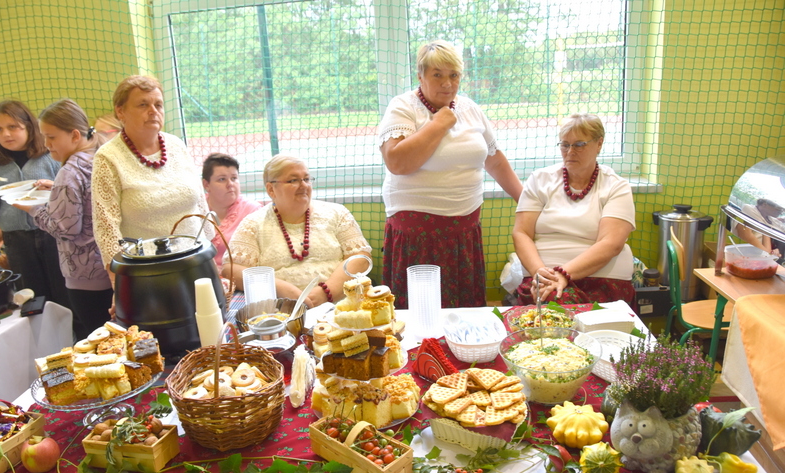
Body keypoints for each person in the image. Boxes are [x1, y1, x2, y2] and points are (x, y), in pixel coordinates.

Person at [377, 39, 523, 309]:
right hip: (416, 236)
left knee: (463, 313)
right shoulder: (402, 107)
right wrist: (439, 123)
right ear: (420, 76)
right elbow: (398, 162)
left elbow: (495, 161)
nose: (447, 83)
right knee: (419, 312)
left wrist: (526, 201)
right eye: (437, 75)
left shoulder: (470, 108)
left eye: (453, 75)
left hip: (463, 234)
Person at [92, 75, 213, 285]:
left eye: (158, 104)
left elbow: (200, 205)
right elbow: (106, 226)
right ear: (121, 111)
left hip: (196, 264)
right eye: (142, 104)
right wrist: (118, 283)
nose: (153, 111)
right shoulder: (107, 158)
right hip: (147, 276)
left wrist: (214, 262)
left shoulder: (176, 146)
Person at [12, 99, 112, 339]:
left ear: (75, 135)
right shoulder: (101, 156)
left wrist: (33, 209)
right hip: (111, 270)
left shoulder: (69, 172)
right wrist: (58, 189)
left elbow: (66, 228)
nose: (46, 145)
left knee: (98, 341)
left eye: (51, 137)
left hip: (86, 276)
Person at [511, 113, 636, 305]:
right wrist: (540, 272)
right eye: (564, 144)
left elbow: (611, 243)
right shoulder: (540, 180)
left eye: (579, 145)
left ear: (599, 144)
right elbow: (521, 233)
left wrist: (563, 274)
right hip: (544, 276)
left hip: (603, 279)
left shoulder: (616, 186)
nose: (570, 152)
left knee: (557, 300)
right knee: (551, 296)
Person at [223, 154, 372, 308]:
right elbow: (230, 270)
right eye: (293, 180)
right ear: (271, 189)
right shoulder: (253, 224)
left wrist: (325, 293)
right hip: (282, 313)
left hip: (343, 308)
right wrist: (278, 286)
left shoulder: (337, 213)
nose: (304, 185)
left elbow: (361, 258)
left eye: (306, 179)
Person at [0, 100, 70, 308]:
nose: (6, 134)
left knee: (64, 295)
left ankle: (74, 338)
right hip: (17, 242)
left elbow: (69, 199)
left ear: (29, 127)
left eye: (12, 127)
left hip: (52, 235)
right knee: (33, 301)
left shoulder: (51, 157)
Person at [202, 153, 261, 268]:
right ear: (206, 184)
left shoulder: (253, 211)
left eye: (234, 178)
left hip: (238, 278)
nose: (230, 184)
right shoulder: (196, 208)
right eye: (222, 179)